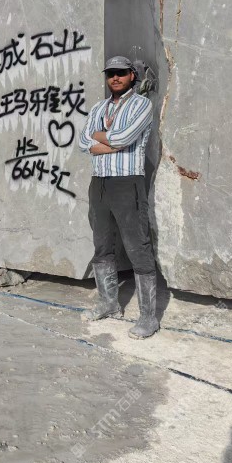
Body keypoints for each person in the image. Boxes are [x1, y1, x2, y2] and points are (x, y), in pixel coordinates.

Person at [79, 56, 159, 339]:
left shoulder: (141, 105)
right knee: (102, 245)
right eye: (111, 73)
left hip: (127, 183)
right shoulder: (98, 107)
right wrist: (109, 142)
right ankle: (109, 303)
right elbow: (83, 141)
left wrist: (101, 138)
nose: (115, 77)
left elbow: (124, 138)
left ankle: (148, 318)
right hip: (99, 184)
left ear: (132, 76)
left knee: (138, 246)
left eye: (121, 73)